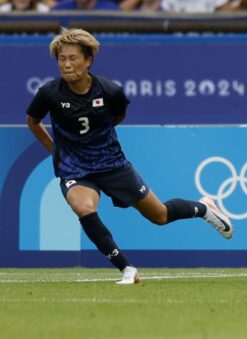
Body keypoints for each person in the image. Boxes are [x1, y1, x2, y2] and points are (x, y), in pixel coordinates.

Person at [26, 28, 232, 284]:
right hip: (75, 168)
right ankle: (127, 268)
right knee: (83, 207)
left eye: (72, 58)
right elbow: (33, 121)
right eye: (61, 59)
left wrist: (99, 139)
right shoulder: (49, 93)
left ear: (88, 60)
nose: (66, 64)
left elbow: (118, 116)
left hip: (112, 163)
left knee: (160, 216)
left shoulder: (110, 91)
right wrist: (54, 149)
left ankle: (203, 208)